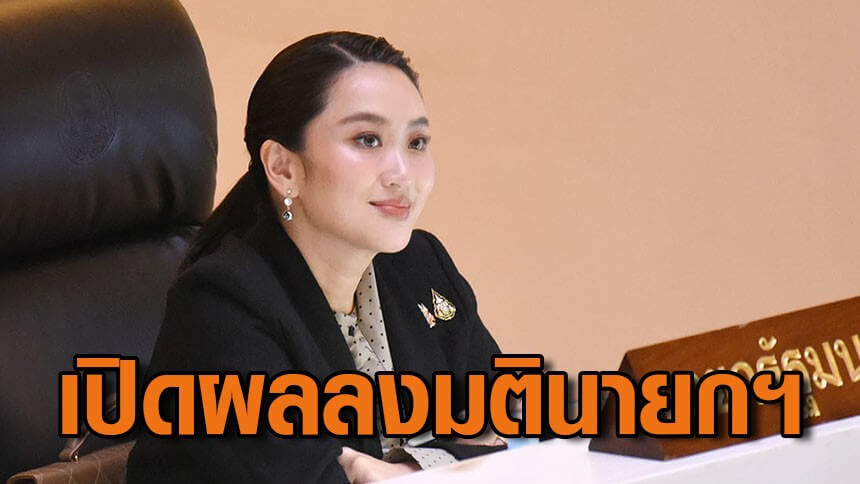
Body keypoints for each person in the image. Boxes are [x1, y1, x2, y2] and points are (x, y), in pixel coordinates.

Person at [126, 31, 505, 483]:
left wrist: (404, 468)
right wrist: (455, 458)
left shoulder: (422, 266)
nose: (403, 174)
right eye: (368, 140)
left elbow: (514, 428)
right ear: (282, 167)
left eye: (417, 142)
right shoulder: (221, 306)